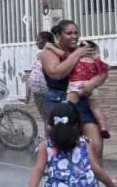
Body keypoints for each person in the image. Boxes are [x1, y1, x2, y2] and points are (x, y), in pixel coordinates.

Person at [40, 20, 108, 156]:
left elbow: (102, 71)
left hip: (83, 100)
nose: (74, 36)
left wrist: (91, 84)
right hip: (59, 101)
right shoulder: (49, 52)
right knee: (61, 147)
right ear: (59, 35)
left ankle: (95, 175)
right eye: (69, 33)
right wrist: (77, 54)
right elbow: (56, 73)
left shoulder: (83, 49)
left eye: (76, 33)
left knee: (95, 146)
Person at [62, 40, 111, 138]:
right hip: (89, 85)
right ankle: (103, 127)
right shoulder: (95, 61)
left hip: (75, 84)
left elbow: (63, 56)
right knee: (95, 108)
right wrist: (97, 58)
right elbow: (107, 68)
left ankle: (65, 124)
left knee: (69, 105)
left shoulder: (76, 60)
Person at [26, 31, 54, 121]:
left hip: (46, 90)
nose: (36, 42)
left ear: (45, 41)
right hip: (37, 91)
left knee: (50, 117)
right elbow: (34, 71)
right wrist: (28, 91)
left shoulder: (52, 53)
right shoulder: (39, 54)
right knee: (45, 117)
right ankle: (48, 134)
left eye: (38, 40)